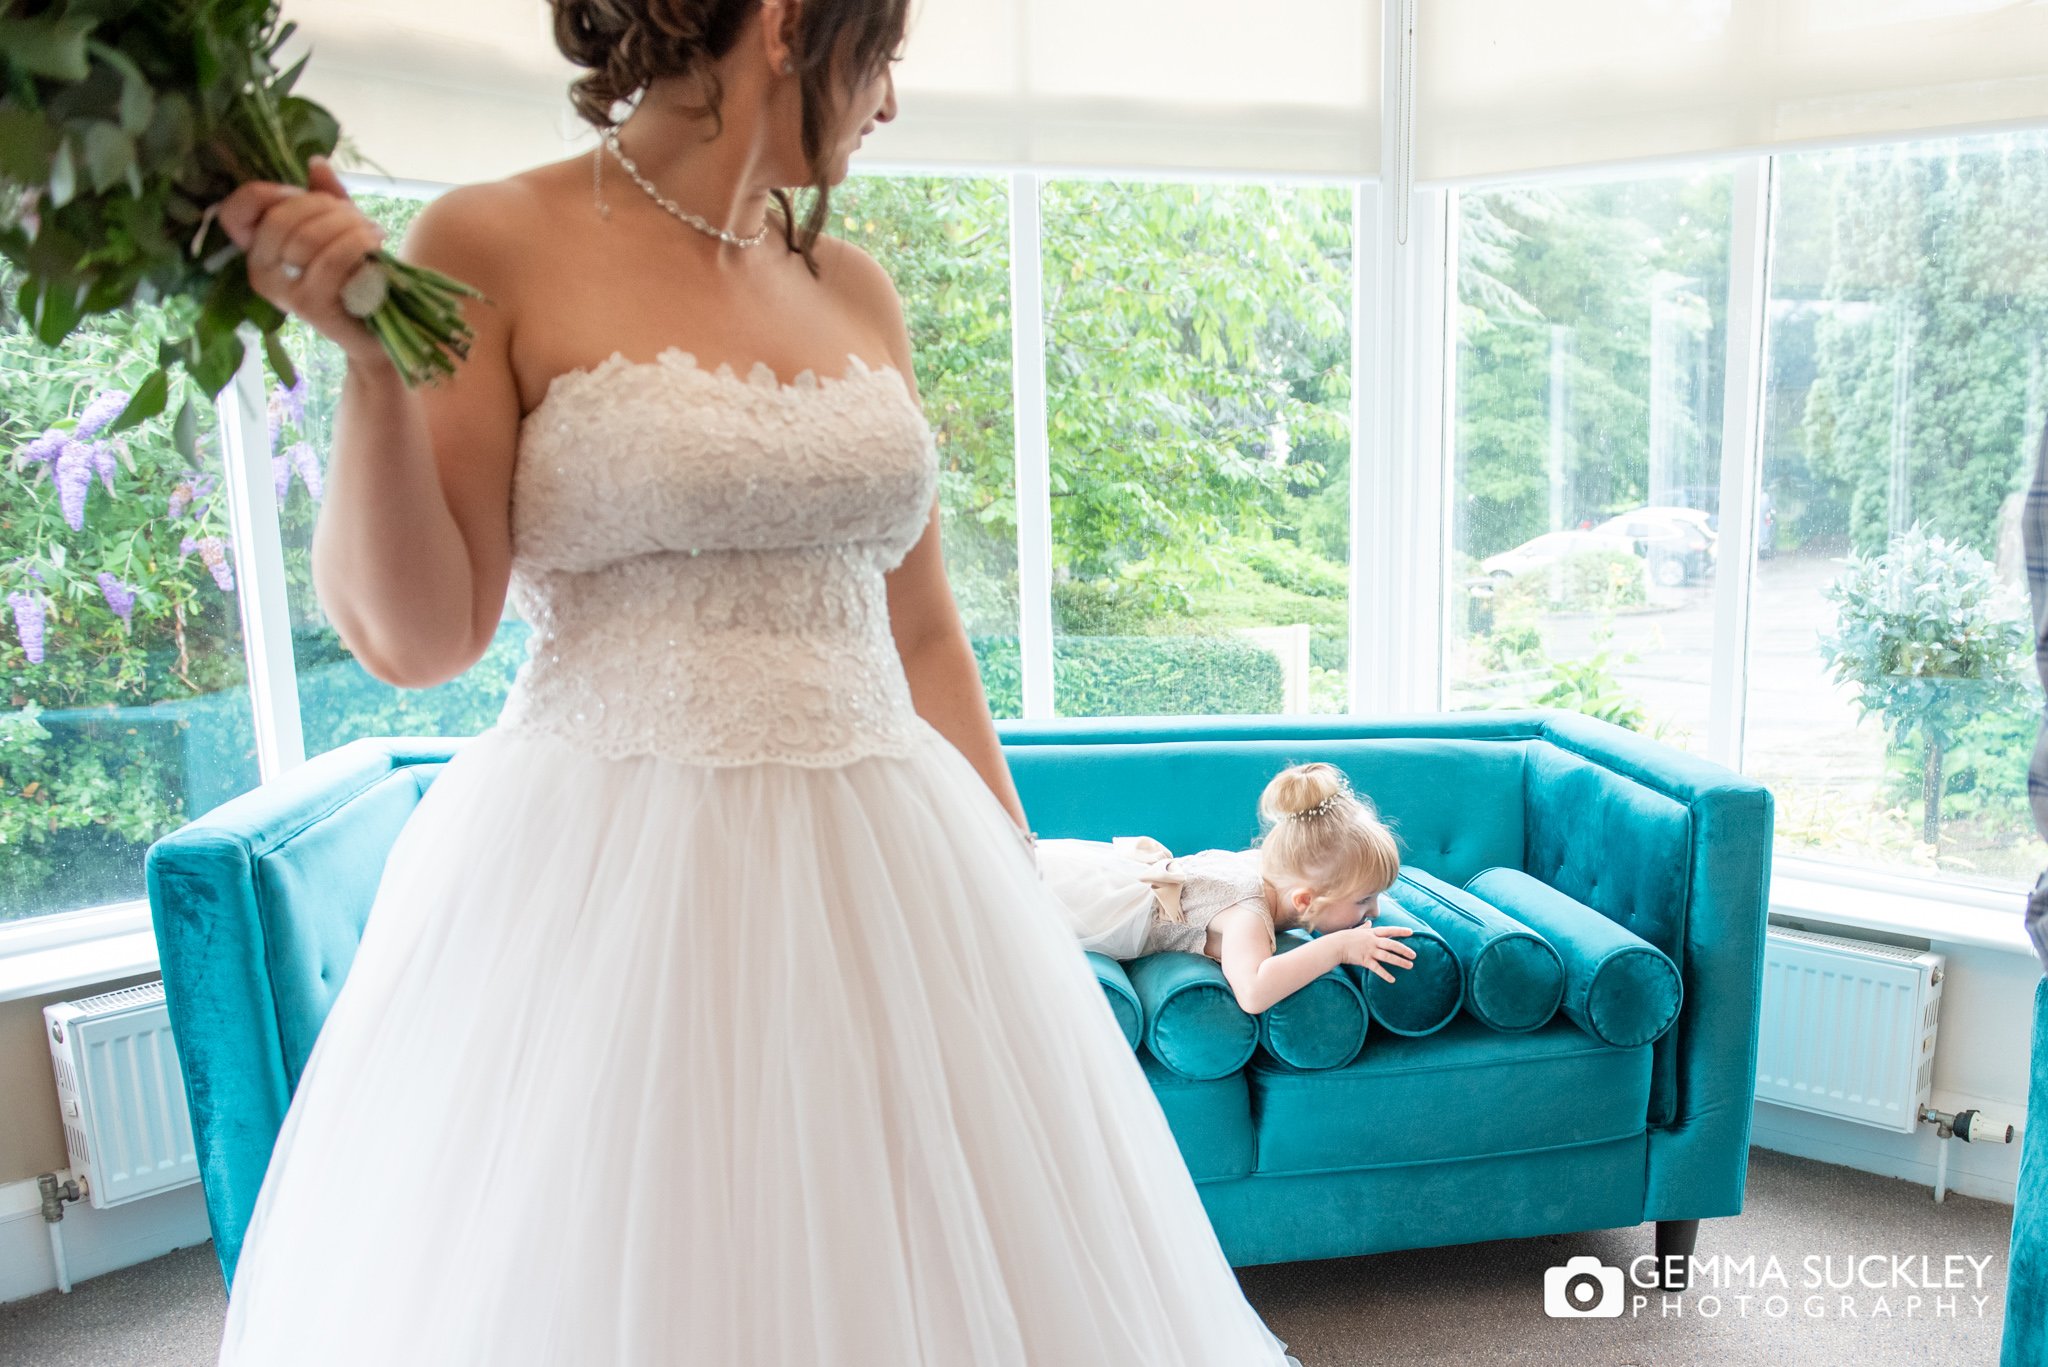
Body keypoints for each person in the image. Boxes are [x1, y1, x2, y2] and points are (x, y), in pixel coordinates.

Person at [208, 0, 1305, 1361]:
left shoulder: (855, 287)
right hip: (611, 880)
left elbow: (923, 634)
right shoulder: (487, 240)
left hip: (897, 869)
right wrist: (372, 368)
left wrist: (1011, 874)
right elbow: (419, 639)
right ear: (788, 23)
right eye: (884, 57)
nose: (887, 105)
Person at [1038, 762, 1416, 1013]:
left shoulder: (1266, 868)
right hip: (1094, 903)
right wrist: (1338, 947)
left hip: (1106, 878)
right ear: (1305, 900)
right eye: (1364, 899)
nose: (1376, 911)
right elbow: (1253, 994)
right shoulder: (1247, 910)